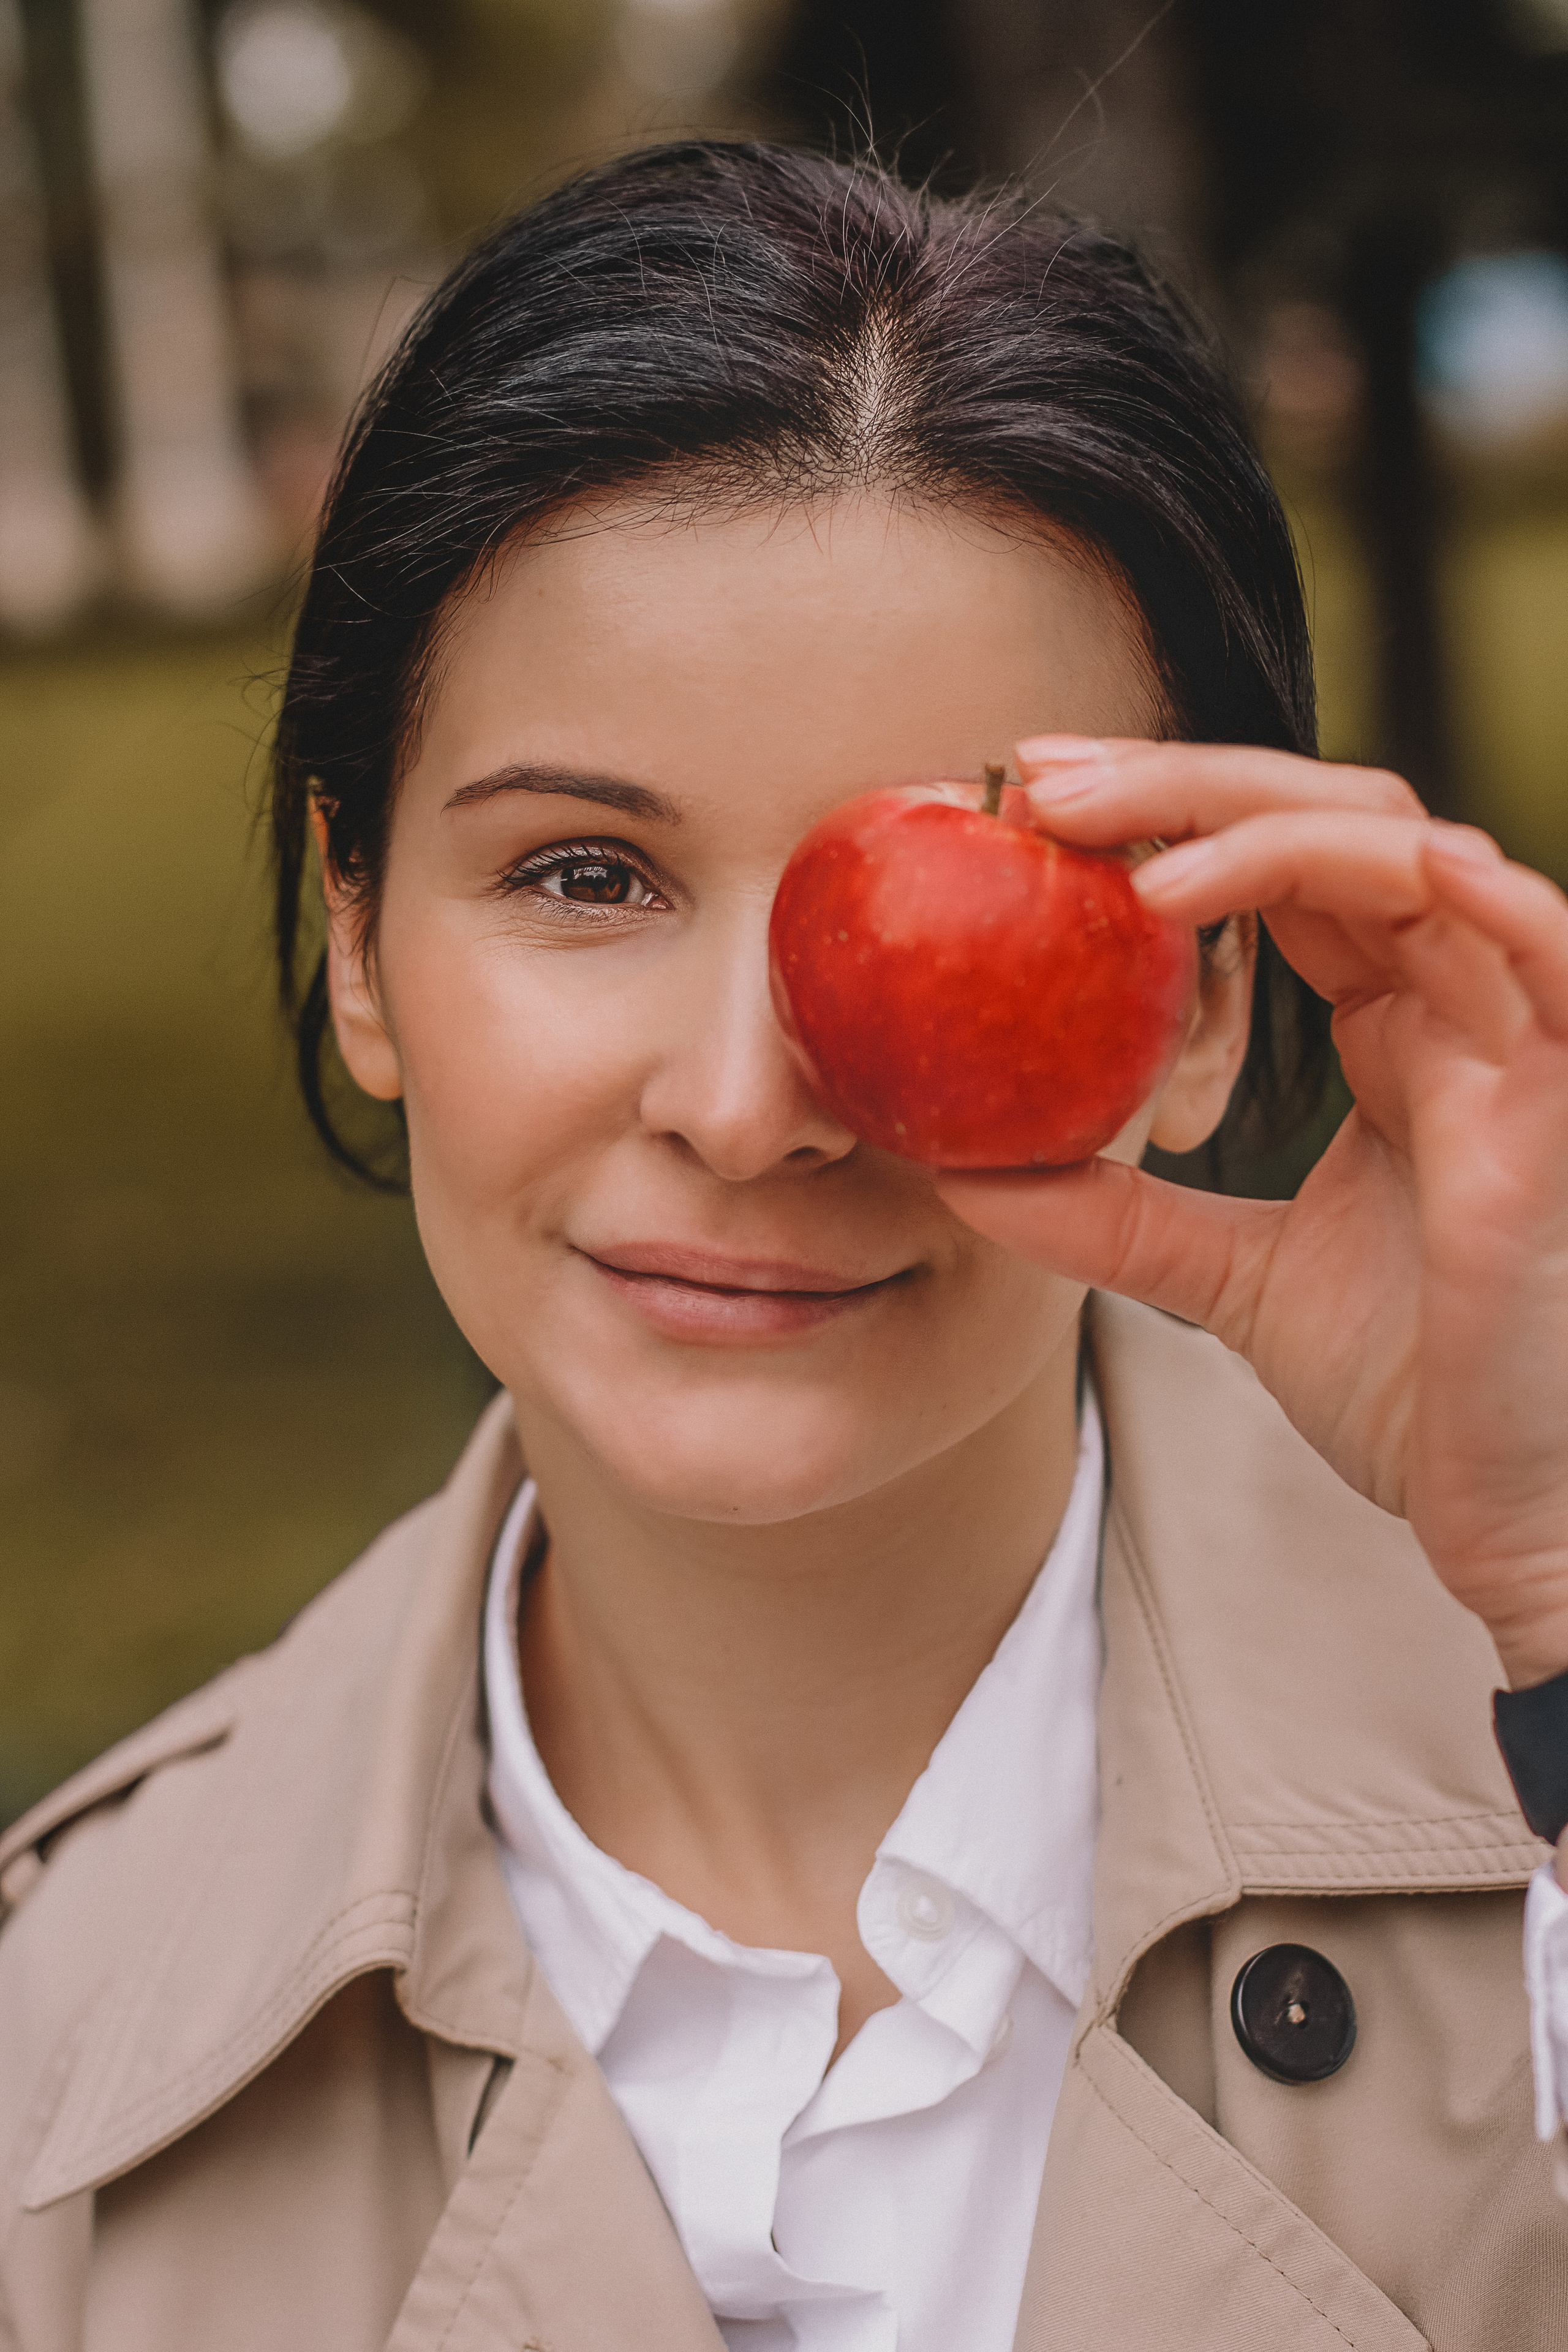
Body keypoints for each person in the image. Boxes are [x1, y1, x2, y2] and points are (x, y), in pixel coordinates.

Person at [2, 139, 1567, 2352]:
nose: (748, 1110)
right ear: (359, 939)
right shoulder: (55, 2079)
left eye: (960, 906)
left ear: (1206, 999)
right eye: (584, 876)